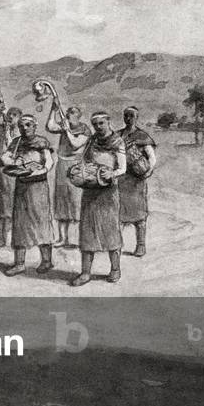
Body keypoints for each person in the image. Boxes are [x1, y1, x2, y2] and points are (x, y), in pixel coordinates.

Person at [71, 111, 126, 287]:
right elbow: (84, 161)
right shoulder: (92, 141)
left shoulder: (117, 141)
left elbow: (123, 167)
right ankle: (86, 272)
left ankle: (115, 269)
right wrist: (83, 173)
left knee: (110, 230)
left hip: (108, 192)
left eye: (101, 123)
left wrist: (112, 173)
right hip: (90, 190)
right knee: (87, 231)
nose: (98, 127)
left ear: (108, 122)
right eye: (95, 125)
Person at [0, 114, 56, 276]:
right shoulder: (16, 142)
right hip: (22, 186)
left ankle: (46, 261)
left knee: (41, 222)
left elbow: (49, 162)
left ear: (34, 126)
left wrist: (40, 171)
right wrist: (12, 162)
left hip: (38, 186)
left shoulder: (41, 142)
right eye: (22, 125)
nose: (25, 128)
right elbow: (5, 156)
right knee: (20, 223)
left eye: (28, 125)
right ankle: (19, 263)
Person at [46, 103, 89, 248]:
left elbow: (76, 144)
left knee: (75, 202)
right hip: (62, 166)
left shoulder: (84, 129)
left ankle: (76, 239)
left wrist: (67, 130)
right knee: (61, 201)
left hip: (76, 166)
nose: (69, 114)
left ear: (78, 116)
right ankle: (62, 238)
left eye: (72, 112)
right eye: (68, 112)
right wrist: (53, 110)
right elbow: (50, 126)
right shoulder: (64, 126)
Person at [119, 106, 157, 257]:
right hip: (121, 179)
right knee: (119, 213)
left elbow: (151, 158)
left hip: (136, 180)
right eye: (126, 115)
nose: (128, 118)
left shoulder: (142, 136)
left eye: (131, 116)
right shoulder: (118, 135)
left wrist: (147, 172)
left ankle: (140, 245)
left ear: (136, 117)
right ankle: (118, 245)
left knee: (139, 214)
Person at [0, 103, 22, 247]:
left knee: (9, 206)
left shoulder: (20, 133)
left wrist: (8, 132)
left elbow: (11, 146)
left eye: (14, 115)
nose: (11, 117)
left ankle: (9, 238)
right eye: (10, 114)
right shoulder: (1, 127)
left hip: (10, 172)